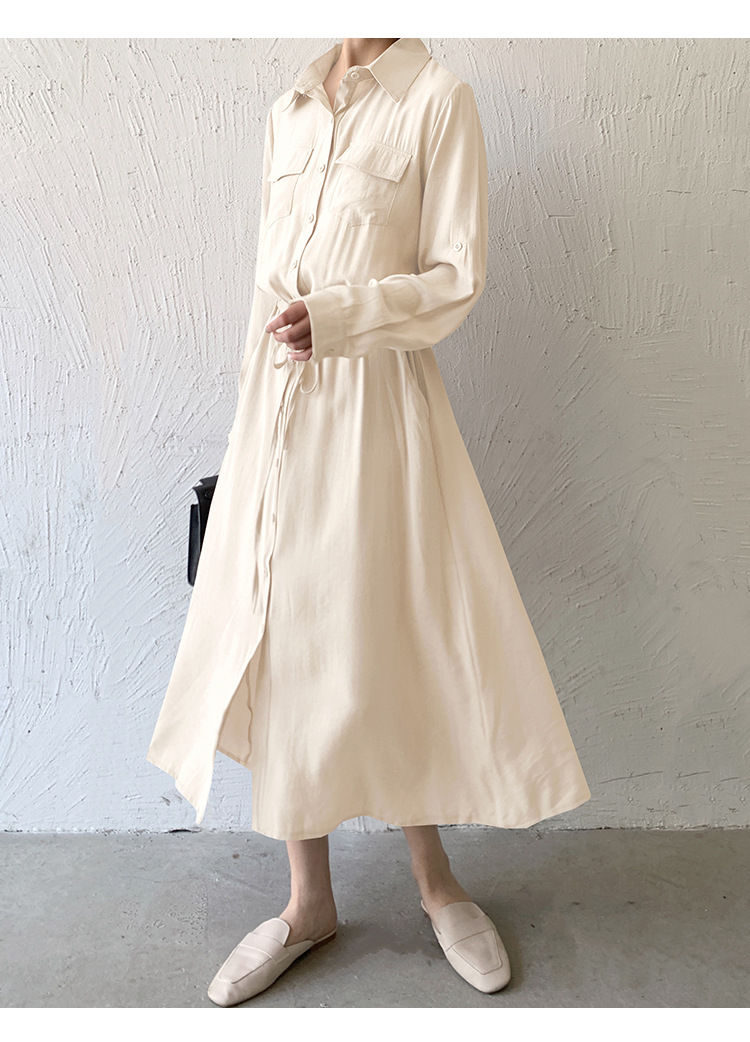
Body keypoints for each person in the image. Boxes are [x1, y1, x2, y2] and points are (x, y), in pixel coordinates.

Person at [146, 37, 592, 1006]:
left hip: (379, 414)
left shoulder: (437, 100)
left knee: (398, 634)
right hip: (279, 415)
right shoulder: (290, 109)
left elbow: (456, 275)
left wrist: (345, 316)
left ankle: (437, 884)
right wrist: (248, 417)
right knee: (282, 642)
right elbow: (266, 283)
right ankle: (308, 902)